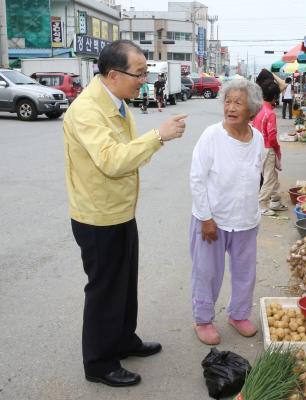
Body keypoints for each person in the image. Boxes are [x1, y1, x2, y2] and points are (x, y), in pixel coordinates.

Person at [63, 40, 187, 387]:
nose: (144, 81)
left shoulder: (117, 103)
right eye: (139, 74)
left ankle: (122, 339)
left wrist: (152, 142)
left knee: (124, 284)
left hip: (120, 211)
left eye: (146, 73)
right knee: (105, 290)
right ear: (113, 74)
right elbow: (112, 160)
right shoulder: (87, 110)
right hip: (97, 217)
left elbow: (129, 153)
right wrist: (158, 136)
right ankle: (99, 362)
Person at [189, 79, 265, 345]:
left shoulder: (258, 138)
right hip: (213, 219)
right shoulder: (212, 135)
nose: (230, 108)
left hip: (245, 220)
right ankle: (203, 319)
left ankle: (239, 314)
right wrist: (206, 218)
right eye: (228, 101)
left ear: (251, 110)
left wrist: (254, 210)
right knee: (207, 272)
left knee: (245, 272)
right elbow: (197, 178)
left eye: (238, 103)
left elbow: (257, 175)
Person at [254, 80, 287, 216]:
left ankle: (275, 201)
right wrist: (277, 149)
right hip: (268, 148)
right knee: (269, 178)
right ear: (274, 97)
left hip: (258, 147)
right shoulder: (270, 113)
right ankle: (262, 205)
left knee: (271, 175)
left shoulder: (258, 109)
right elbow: (272, 137)